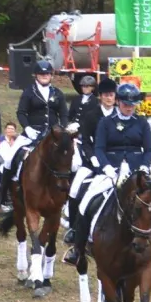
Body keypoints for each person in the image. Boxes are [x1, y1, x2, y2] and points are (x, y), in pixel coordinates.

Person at [66, 85, 151, 265]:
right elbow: (99, 148)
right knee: (86, 202)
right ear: (118, 102)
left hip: (136, 171)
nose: (129, 107)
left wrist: (145, 167)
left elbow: (148, 149)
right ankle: (78, 248)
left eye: (132, 104)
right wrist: (106, 167)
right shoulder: (105, 123)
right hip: (110, 169)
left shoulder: (142, 122)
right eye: (125, 104)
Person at [0, 60, 66, 211]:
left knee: (68, 159)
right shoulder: (29, 92)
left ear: (51, 75)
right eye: (42, 74)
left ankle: (67, 197)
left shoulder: (58, 93)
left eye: (47, 73)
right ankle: (3, 195)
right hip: (32, 132)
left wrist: (61, 130)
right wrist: (27, 127)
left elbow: (63, 114)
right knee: (9, 158)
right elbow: (21, 112)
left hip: (53, 134)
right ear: (36, 75)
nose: (44, 76)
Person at [64, 78, 119, 258]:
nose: (109, 98)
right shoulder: (91, 115)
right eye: (106, 95)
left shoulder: (120, 115)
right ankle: (73, 229)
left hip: (115, 163)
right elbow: (86, 141)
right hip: (93, 161)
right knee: (74, 190)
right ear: (101, 97)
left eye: (112, 95)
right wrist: (93, 158)